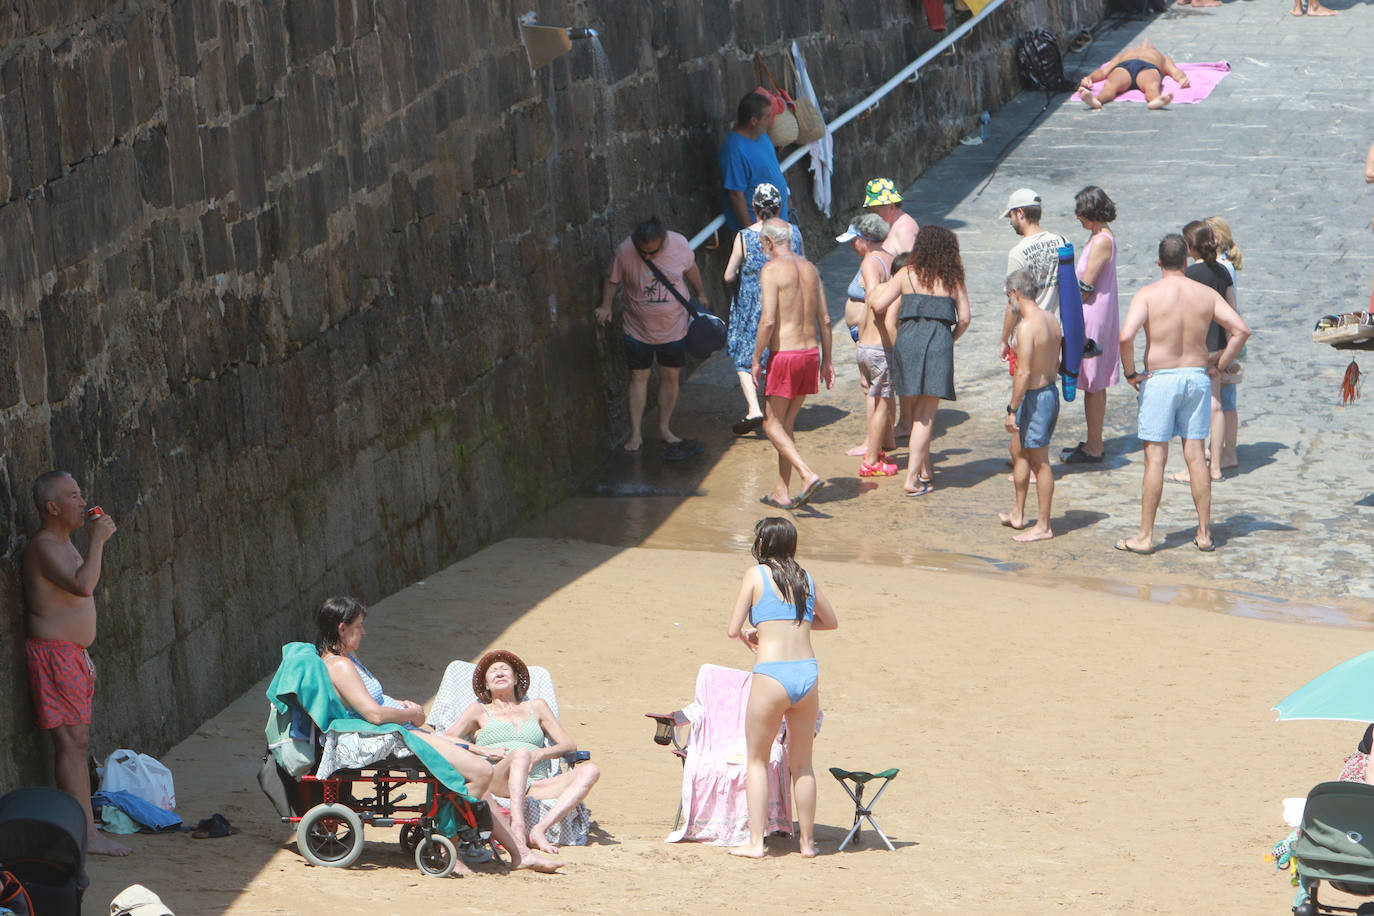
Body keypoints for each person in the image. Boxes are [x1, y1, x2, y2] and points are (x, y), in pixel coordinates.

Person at [315, 597, 561, 872]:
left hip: (399, 729)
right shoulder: (339, 665)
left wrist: (403, 706)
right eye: (359, 626)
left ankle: (520, 854)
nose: (364, 631)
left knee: (478, 780)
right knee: (480, 772)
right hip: (388, 736)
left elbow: (373, 700)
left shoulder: (348, 659)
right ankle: (449, 847)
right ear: (341, 628)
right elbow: (373, 714)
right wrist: (412, 714)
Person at [1115, 234, 1250, 554]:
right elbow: (1241, 330)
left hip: (1160, 378)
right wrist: (1221, 365)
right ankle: (1204, 534)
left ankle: (1146, 537)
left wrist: (1131, 372)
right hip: (1195, 377)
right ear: (1186, 261)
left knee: (1155, 459)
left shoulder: (1148, 294)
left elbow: (1125, 336)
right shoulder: (1204, 294)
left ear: (1159, 261)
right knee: (1196, 457)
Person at [23, 471, 130, 857]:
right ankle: (85, 833)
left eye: (81, 493)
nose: (81, 501)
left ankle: (84, 828)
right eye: (72, 496)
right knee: (72, 744)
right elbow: (83, 585)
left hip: (71, 655)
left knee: (77, 743)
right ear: (52, 507)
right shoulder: (44, 546)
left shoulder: (64, 542)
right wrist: (98, 540)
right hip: (55, 655)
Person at [725, 517, 838, 858]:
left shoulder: (755, 575)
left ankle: (756, 843)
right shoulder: (805, 578)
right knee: (802, 765)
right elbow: (830, 622)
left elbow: (733, 628)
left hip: (771, 673)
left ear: (763, 544)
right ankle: (807, 844)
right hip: (807, 672)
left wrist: (752, 634)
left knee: (757, 761)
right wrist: (796, 623)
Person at [441, 651, 599, 855]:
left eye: (505, 669)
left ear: (515, 679)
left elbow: (569, 744)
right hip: (497, 780)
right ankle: (518, 825)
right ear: (487, 685)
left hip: (535, 784)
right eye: (493, 671)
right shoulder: (479, 710)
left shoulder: (537, 706)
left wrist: (541, 754)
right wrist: (483, 750)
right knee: (521, 753)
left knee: (591, 771)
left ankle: (539, 830)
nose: (499, 672)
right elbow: (446, 738)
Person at [868, 225, 972, 496]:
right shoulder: (953, 279)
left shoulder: (906, 274)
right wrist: (949, 339)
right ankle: (913, 479)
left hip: (908, 341)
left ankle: (925, 470)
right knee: (925, 418)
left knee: (914, 412)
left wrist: (871, 290)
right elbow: (965, 319)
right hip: (939, 340)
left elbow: (879, 305)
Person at [596, 217, 708, 459]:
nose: (646, 257)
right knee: (638, 376)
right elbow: (612, 279)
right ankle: (635, 433)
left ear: (664, 240)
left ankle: (664, 428)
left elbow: (691, 269)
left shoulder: (678, 244)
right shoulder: (626, 250)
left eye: (652, 253)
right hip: (637, 328)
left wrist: (701, 293)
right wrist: (605, 306)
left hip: (674, 327)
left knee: (670, 376)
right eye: (642, 252)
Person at [753, 219, 834, 510]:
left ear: (769, 243)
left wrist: (755, 359)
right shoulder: (810, 269)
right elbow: (825, 319)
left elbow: (769, 320)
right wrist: (828, 361)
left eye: (762, 244)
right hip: (810, 354)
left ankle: (806, 473)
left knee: (770, 425)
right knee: (785, 425)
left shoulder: (771, 269)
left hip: (785, 355)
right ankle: (781, 491)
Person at [724, 184, 803, 436]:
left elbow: (728, 275)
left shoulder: (745, 237)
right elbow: (803, 266)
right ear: (780, 207)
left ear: (754, 208)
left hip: (751, 307)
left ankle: (754, 409)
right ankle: (775, 412)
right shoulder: (794, 233)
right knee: (777, 354)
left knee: (745, 357)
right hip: (785, 303)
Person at [1167, 220, 1238, 485]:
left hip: (1194, 347)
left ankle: (1192, 469)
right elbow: (1232, 313)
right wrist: (1230, 354)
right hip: (1218, 346)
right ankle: (1216, 467)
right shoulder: (1223, 271)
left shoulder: (1189, 274)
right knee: (1216, 405)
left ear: (1189, 247)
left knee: (1192, 409)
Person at [1000, 269, 1063, 542]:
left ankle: (1044, 526)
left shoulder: (1027, 327)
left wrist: (1012, 410)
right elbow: (1057, 360)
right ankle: (1018, 513)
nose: (1008, 303)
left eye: (1008, 297)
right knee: (1018, 450)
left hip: (1036, 397)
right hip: (1047, 392)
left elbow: (1023, 372)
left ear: (1016, 294)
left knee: (1041, 464)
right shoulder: (1051, 319)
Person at [1062, 186, 1121, 464]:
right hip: (1094, 314)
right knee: (1092, 382)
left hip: (1092, 317)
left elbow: (1086, 286)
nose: (1079, 218)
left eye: (1082, 214)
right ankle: (1093, 440)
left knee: (1094, 383)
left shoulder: (1101, 242)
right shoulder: (1098, 237)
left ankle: (1095, 445)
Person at [837, 214, 898, 476]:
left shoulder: (870, 262)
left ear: (867, 239)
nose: (852, 246)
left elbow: (874, 299)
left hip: (872, 339)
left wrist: (864, 336)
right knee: (881, 391)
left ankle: (871, 451)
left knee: (874, 393)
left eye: (855, 240)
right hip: (876, 338)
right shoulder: (889, 257)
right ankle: (886, 441)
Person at [864, 177, 919, 440]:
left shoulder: (904, 228)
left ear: (890, 204)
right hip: (896, 304)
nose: (873, 213)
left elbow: (911, 269)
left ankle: (907, 421)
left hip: (903, 305)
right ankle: (904, 420)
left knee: (903, 366)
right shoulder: (895, 225)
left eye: (875, 208)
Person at [719, 92, 790, 235]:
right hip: (761, 230)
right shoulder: (734, 150)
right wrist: (751, 234)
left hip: (780, 223)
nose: (771, 121)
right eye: (767, 116)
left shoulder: (761, 135)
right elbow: (736, 195)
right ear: (753, 120)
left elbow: (772, 169)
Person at [1206, 215, 1244, 470]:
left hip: (1227, 338)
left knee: (1225, 399)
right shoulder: (1225, 264)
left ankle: (1228, 452)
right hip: (1230, 336)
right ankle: (1224, 449)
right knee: (1225, 397)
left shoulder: (1221, 267)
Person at [1076, 39, 1190, 110]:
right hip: (1125, 66)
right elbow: (1104, 71)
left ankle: (1155, 100)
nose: (1145, 41)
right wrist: (1090, 77)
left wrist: (1182, 79)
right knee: (1110, 85)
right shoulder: (1124, 54)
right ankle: (1096, 100)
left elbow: (1175, 71)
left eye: (1148, 43)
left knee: (1152, 85)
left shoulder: (1163, 57)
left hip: (1148, 66)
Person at [863, 178, 919, 257]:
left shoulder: (904, 230)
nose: (872, 216)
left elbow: (910, 266)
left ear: (891, 207)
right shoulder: (890, 225)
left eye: (875, 211)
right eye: (870, 211)